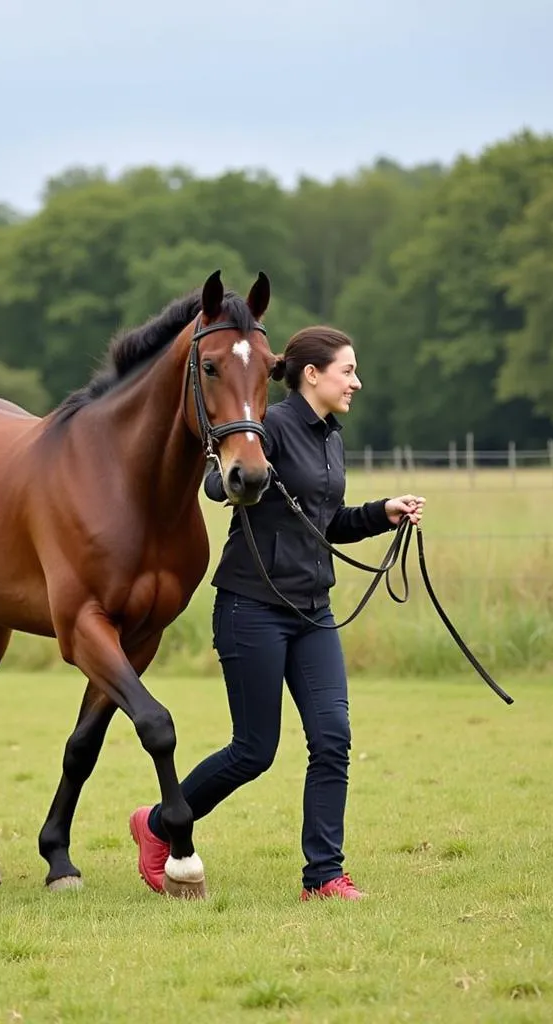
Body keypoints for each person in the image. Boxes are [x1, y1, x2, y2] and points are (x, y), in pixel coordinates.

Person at [129, 325, 425, 901]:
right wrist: (247, 486)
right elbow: (219, 483)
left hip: (313, 611)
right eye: (348, 371)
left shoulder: (330, 438)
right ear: (312, 375)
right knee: (254, 751)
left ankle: (323, 876)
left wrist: (382, 512)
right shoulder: (271, 427)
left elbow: (328, 522)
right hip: (252, 609)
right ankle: (159, 825)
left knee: (333, 738)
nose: (356, 382)